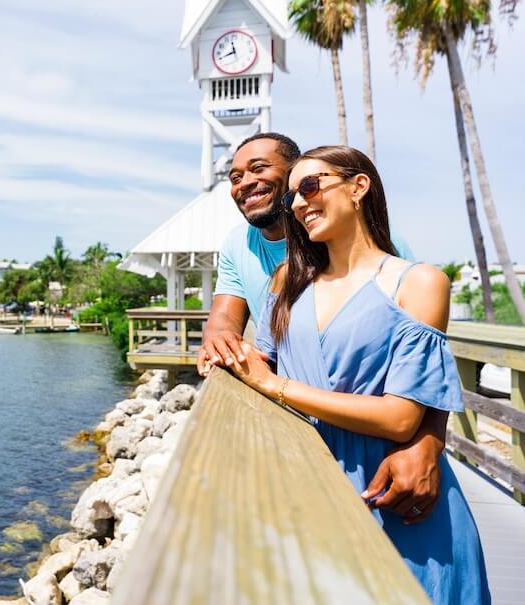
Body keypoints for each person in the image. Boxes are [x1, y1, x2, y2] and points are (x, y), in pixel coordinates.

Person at [225, 145, 488, 603]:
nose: (301, 204)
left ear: (358, 186)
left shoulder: (419, 281)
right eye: (292, 198)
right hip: (306, 487)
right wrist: (224, 354)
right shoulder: (288, 280)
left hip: (393, 495)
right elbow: (259, 359)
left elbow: (402, 417)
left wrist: (276, 386)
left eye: (311, 186)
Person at [198, 133, 446, 524]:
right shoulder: (269, 266)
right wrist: (220, 344)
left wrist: (428, 442)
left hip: (379, 458)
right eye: (234, 176)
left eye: (260, 169)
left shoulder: (394, 261)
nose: (244, 182)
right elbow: (226, 320)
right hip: (304, 456)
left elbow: (426, 360)